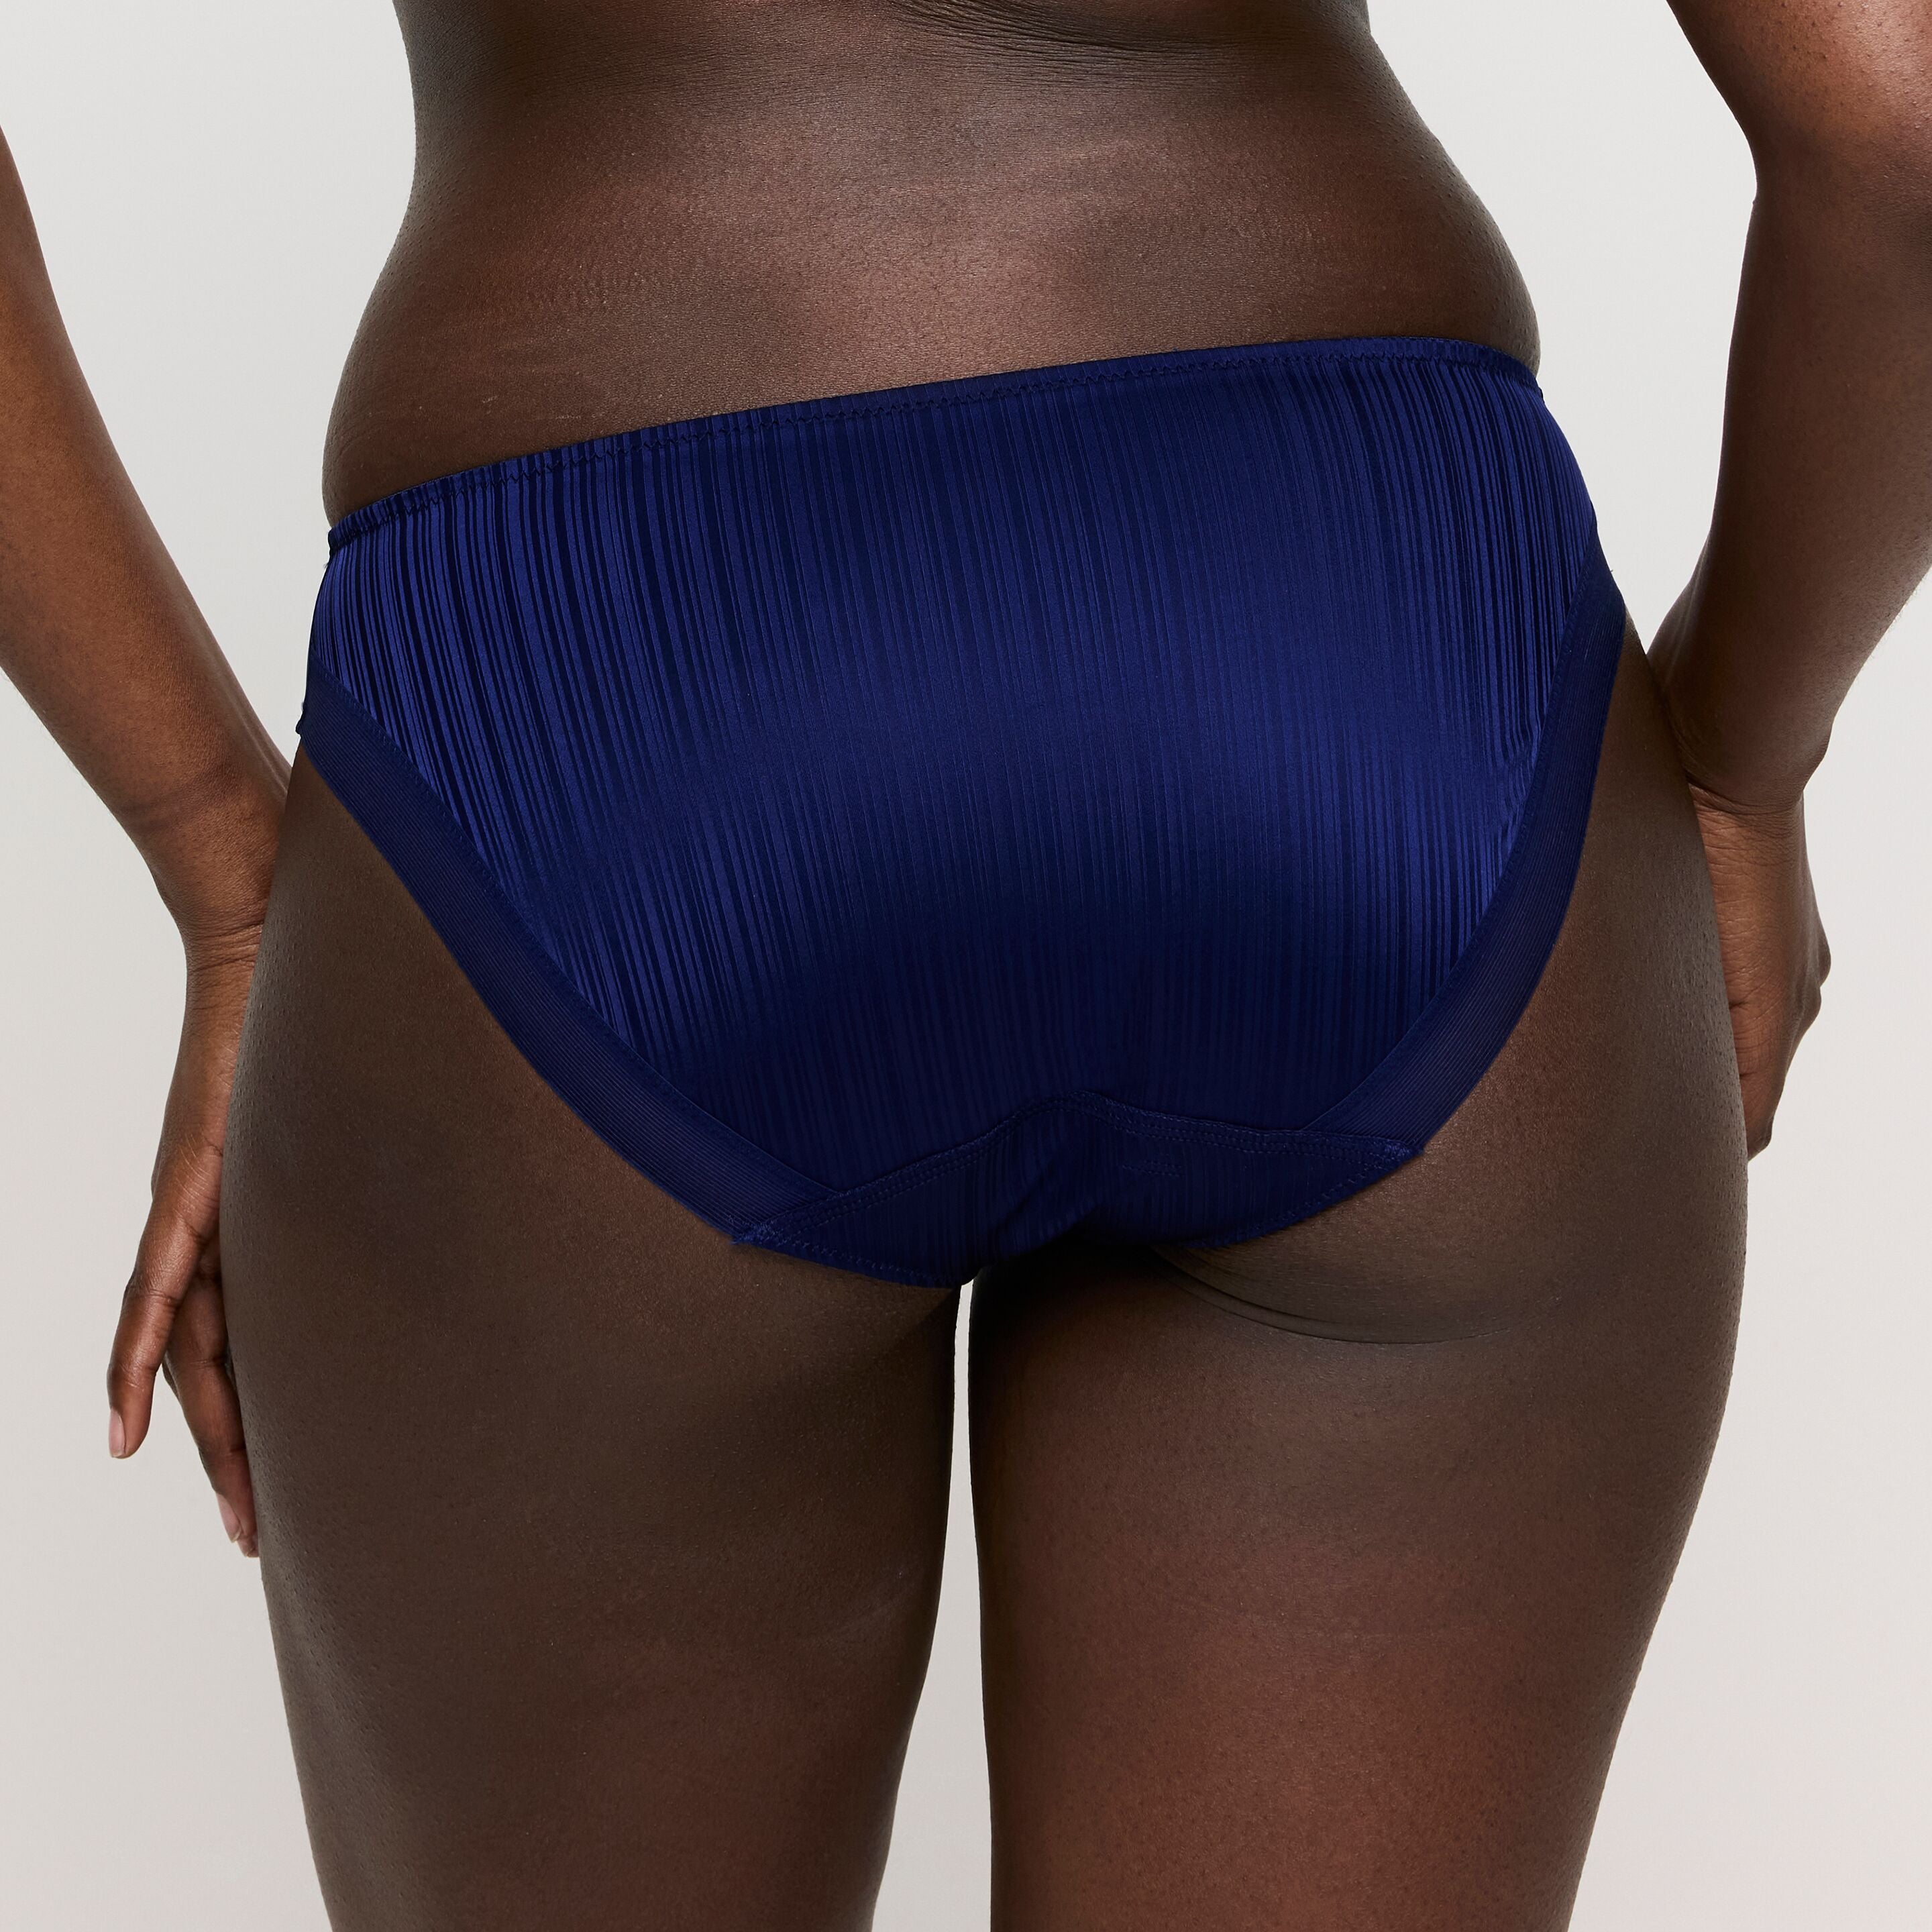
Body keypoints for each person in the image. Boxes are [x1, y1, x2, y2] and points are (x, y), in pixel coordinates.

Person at [1, 3, 1925, 1925]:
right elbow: (1895, 121)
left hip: (625, 697)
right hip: (1366, 645)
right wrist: (1740, 762)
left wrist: (216, 855)